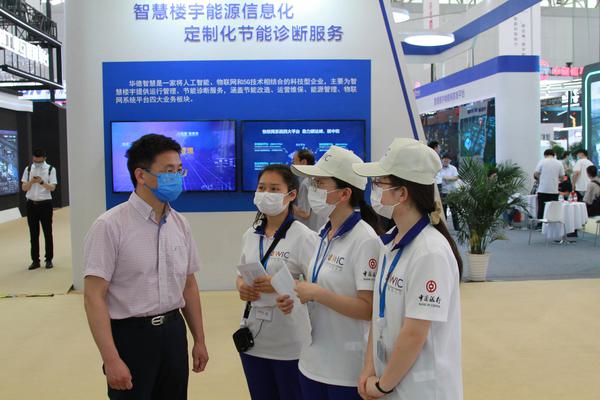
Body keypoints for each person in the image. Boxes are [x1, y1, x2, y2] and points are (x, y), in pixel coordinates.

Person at [83, 134, 209, 400]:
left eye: (179, 170)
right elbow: (94, 296)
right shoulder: (109, 226)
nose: (176, 177)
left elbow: (188, 285)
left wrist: (199, 339)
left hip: (173, 332)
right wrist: (111, 359)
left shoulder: (180, 224)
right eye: (168, 171)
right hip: (131, 337)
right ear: (141, 175)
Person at [352, 138, 463, 400]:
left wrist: (382, 385)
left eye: (379, 183)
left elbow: (415, 333)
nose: (373, 190)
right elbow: (379, 316)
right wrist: (369, 369)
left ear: (402, 194)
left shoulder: (430, 252)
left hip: (421, 389)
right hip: (390, 380)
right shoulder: (391, 242)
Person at [276, 145, 382, 400]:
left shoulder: (365, 240)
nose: (312, 188)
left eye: (319, 183)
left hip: (345, 370)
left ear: (344, 193)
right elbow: (320, 289)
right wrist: (297, 299)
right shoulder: (324, 234)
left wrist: (317, 293)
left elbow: (368, 309)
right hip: (312, 362)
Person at [236, 164, 318, 400]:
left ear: (291, 195)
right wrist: (242, 287)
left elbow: (317, 288)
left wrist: (282, 284)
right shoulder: (251, 235)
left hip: (290, 342)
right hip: (254, 338)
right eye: (262, 188)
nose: (266, 194)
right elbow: (240, 274)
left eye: (274, 189)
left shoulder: (303, 237)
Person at [21, 147, 57, 270]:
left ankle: (49, 259)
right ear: (33, 158)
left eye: (40, 161)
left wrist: (41, 182)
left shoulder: (51, 169)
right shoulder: (28, 169)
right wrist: (31, 181)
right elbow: (24, 188)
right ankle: (35, 260)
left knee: (47, 232)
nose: (37, 163)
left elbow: (52, 188)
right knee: (33, 233)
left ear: (44, 158)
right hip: (31, 204)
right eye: (35, 161)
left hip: (45, 204)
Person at [292, 149, 328, 232]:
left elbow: (304, 214)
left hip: (308, 231)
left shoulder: (306, 183)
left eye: (294, 161)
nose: (292, 165)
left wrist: (286, 204)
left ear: (303, 162)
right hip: (322, 229)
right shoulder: (319, 179)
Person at [533, 149, 564, 221]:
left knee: (541, 208)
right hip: (554, 190)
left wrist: (540, 179)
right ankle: (552, 224)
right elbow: (562, 177)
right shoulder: (559, 163)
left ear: (545, 155)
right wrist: (557, 180)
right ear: (554, 155)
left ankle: (540, 224)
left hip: (542, 189)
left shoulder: (542, 161)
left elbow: (536, 173)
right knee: (553, 209)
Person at [439, 154, 459, 230]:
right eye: (444, 159)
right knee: (443, 212)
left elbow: (456, 177)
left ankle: (457, 228)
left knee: (454, 211)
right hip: (442, 192)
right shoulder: (439, 168)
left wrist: (447, 178)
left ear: (450, 160)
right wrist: (449, 178)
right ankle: (444, 228)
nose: (446, 160)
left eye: (448, 159)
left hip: (451, 192)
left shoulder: (453, 168)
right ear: (442, 159)